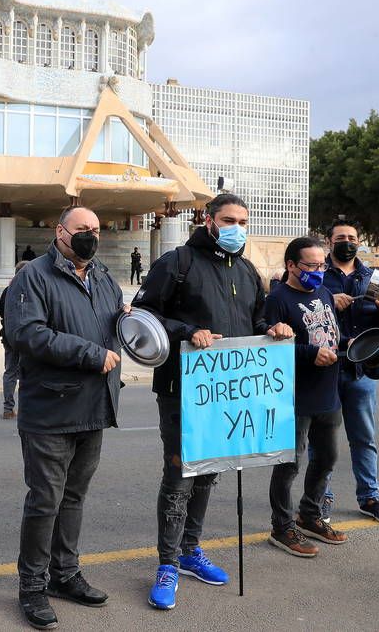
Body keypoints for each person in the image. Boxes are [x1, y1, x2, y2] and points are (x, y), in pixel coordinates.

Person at [132, 193, 293, 610]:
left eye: (242, 220)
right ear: (209, 220)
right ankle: (167, 564)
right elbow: (143, 313)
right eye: (228, 219)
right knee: (180, 476)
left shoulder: (246, 269)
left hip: (228, 394)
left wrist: (271, 329)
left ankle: (191, 550)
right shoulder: (178, 263)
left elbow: (253, 320)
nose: (236, 226)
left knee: (208, 474)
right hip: (182, 391)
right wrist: (188, 330)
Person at [4, 205, 127, 630]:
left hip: (95, 407)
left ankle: (65, 574)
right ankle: (32, 587)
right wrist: (91, 354)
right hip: (51, 411)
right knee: (45, 502)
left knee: (73, 499)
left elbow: (114, 322)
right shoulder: (34, 276)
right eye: (82, 229)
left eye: (95, 229)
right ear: (60, 232)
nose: (90, 235)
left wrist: (132, 325)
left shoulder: (104, 276)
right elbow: (26, 334)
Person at [264, 237, 348, 558]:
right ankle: (281, 527)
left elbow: (331, 333)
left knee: (326, 459)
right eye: (310, 266)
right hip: (294, 397)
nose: (317, 271)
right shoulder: (278, 299)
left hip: (328, 393)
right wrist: (309, 354)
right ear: (291, 266)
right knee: (289, 464)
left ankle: (310, 515)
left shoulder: (324, 292)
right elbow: (270, 347)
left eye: (321, 265)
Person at [319, 219, 379, 526]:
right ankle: (320, 497)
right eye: (340, 237)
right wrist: (328, 301)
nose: (347, 242)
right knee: (322, 440)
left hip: (360, 371)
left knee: (364, 438)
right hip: (324, 368)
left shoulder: (374, 277)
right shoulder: (318, 275)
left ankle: (370, 497)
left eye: (352, 237)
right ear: (330, 242)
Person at [0, 260, 30, 420]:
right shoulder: (30, 291)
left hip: (9, 337)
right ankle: (26, 408)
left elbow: (2, 314)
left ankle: (8, 408)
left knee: (10, 372)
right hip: (28, 338)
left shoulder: (7, 291)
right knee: (29, 373)